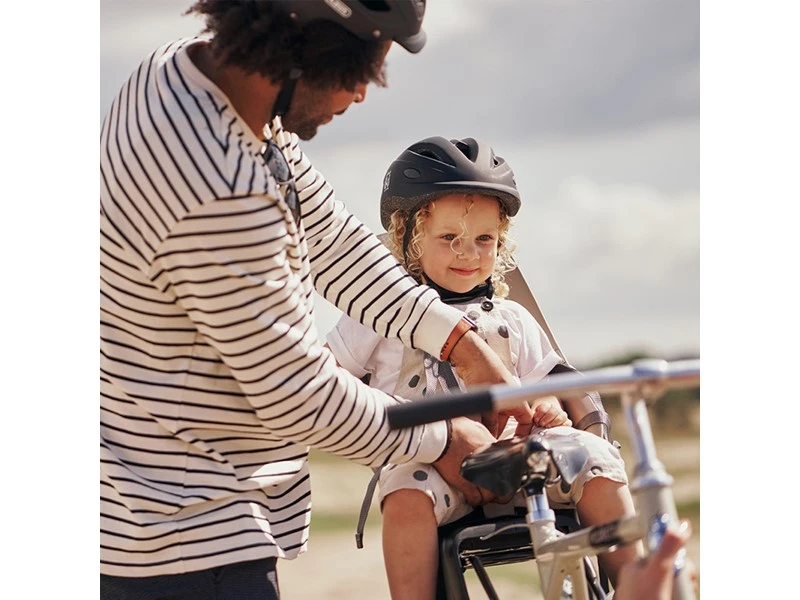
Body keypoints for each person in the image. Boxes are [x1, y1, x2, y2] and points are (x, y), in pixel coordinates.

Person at [99, 2, 536, 598]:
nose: (359, 94)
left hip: (172, 520)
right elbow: (295, 391)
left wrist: (460, 343)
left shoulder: (184, 79)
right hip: (187, 539)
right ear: (308, 41)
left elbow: (334, 242)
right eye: (359, 69)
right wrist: (445, 439)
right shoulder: (220, 186)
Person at [326, 136, 642, 599]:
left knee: (595, 461)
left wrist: (556, 409)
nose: (468, 253)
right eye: (449, 238)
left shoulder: (512, 317)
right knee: (405, 497)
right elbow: (332, 374)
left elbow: (554, 380)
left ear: (502, 242)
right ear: (408, 238)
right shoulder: (379, 314)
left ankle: (637, 585)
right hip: (430, 463)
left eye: (483, 239)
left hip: (523, 460)